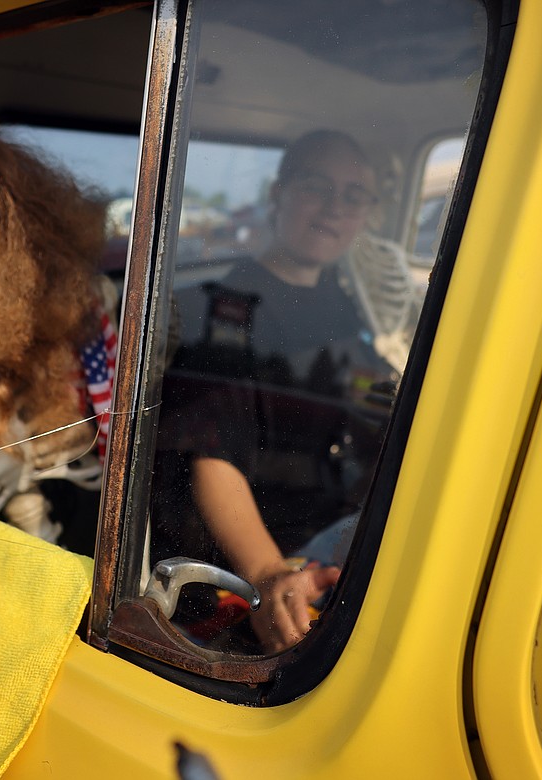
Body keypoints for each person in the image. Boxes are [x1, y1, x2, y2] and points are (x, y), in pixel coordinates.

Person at [154, 129, 406, 653]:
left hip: (330, 526)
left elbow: (363, 395)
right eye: (317, 186)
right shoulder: (220, 312)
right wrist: (268, 574)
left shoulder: (341, 307)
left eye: (354, 195)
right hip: (249, 565)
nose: (335, 208)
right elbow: (211, 455)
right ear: (279, 194)